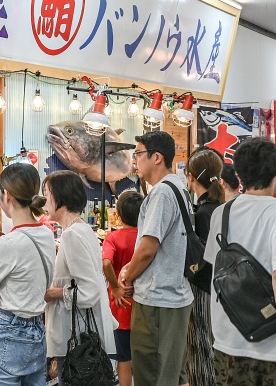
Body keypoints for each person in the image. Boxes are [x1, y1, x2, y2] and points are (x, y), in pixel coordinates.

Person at [203, 138, 276, 386]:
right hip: (271, 342)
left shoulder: (222, 212)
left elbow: (213, 269)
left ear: (238, 174)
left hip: (227, 338)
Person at [118, 131, 193, 386]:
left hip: (159, 299)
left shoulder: (162, 193)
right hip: (172, 294)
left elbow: (149, 248)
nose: (134, 160)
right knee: (172, 372)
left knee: (152, 372)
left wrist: (127, 277)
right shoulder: (178, 188)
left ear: (157, 157)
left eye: (138, 154)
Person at [0, 162, 55, 386]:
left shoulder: (7, 243)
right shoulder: (47, 234)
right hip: (37, 333)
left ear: (6, 195)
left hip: (5, 336)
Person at [42, 171, 116, 374]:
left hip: (77, 340)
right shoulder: (81, 229)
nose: (44, 201)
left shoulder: (72, 235)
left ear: (60, 196)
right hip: (83, 336)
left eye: (47, 194)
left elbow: (89, 290)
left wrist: (54, 293)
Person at [183, 147, 224, 386]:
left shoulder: (202, 214)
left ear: (190, 177)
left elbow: (203, 260)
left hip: (202, 289)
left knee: (200, 347)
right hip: (224, 289)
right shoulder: (223, 208)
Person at [102, 189, 143, 386]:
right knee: (144, 359)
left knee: (123, 358)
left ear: (117, 214)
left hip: (120, 308)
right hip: (144, 307)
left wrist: (115, 287)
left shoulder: (113, 238)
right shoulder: (146, 239)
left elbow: (107, 263)